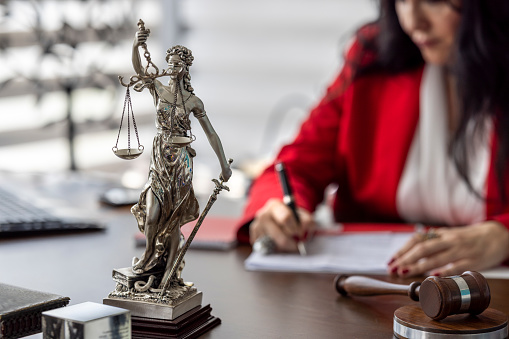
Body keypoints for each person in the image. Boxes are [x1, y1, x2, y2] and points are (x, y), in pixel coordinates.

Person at [238, 0, 509, 278]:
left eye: (434, 0)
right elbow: (297, 165)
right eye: (402, 0)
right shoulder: (374, 55)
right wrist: (278, 208)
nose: (413, 22)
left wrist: (502, 238)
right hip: (371, 290)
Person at [130, 28, 232, 288]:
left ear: (185, 69)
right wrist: (136, 44)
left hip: (182, 163)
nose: (173, 67)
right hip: (160, 158)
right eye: (170, 64)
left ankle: (168, 273)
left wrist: (224, 165)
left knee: (173, 218)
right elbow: (140, 70)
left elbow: (211, 134)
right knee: (152, 213)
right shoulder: (158, 89)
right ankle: (148, 256)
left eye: (178, 64)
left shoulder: (193, 101)